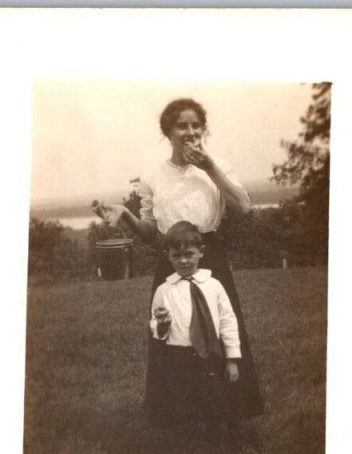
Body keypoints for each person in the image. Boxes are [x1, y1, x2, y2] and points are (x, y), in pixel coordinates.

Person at [94, 97, 263, 428]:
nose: (190, 132)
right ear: (167, 132)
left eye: (196, 125)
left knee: (221, 329)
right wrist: (126, 214)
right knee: (170, 333)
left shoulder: (218, 165)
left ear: (204, 129)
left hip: (209, 256)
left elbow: (244, 206)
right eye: (181, 126)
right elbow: (150, 232)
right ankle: (178, 421)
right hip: (171, 258)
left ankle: (230, 417)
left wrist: (208, 167)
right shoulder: (154, 175)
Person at [150, 221, 240, 440]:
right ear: (168, 256)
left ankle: (218, 442)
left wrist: (232, 359)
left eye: (189, 254)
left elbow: (228, 321)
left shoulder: (214, 285)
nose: (183, 260)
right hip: (178, 355)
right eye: (176, 255)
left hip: (210, 354)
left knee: (214, 398)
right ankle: (187, 445)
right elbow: (155, 323)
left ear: (201, 253)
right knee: (183, 402)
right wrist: (161, 326)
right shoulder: (164, 290)